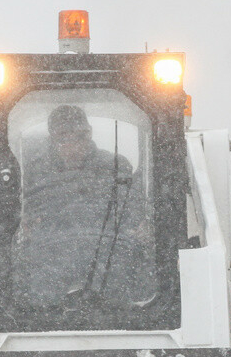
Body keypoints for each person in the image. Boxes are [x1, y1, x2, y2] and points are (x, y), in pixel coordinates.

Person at [10, 105, 153, 311]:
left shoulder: (116, 166)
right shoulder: (35, 171)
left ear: (89, 133)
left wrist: (142, 227)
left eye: (80, 136)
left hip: (109, 252)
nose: (73, 144)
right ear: (52, 138)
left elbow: (134, 211)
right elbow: (25, 216)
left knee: (128, 274)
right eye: (64, 137)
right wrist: (26, 225)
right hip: (51, 254)